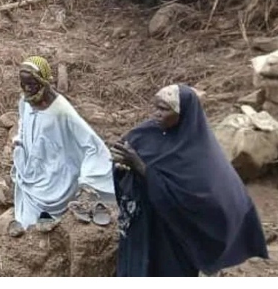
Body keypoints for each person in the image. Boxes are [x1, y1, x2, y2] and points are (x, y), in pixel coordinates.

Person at [111, 85, 269, 277]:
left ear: (183, 113)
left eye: (164, 109)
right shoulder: (145, 133)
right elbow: (123, 159)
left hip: (174, 234)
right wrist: (121, 168)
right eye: (156, 107)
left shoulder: (199, 152)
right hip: (143, 225)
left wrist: (141, 167)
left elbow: (199, 198)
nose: (157, 114)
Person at [9, 55, 115, 237]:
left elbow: (92, 144)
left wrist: (87, 179)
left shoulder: (61, 110)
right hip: (33, 168)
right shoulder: (25, 101)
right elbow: (24, 123)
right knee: (27, 217)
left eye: (32, 84)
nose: (27, 89)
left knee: (48, 201)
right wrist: (20, 141)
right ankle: (28, 224)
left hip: (57, 174)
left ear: (43, 82)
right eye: (23, 84)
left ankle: (49, 218)